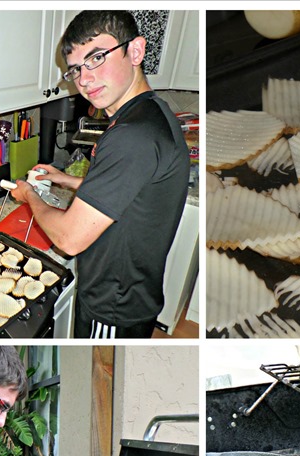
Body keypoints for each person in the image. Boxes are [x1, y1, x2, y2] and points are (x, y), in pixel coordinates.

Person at [10, 10, 191, 339]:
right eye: (76, 69)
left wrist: (30, 196)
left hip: (113, 305)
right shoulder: (152, 112)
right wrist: (64, 179)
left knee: (103, 378)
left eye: (96, 58)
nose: (84, 79)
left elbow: (69, 240)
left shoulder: (130, 136)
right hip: (134, 294)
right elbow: (132, 192)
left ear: (134, 51)